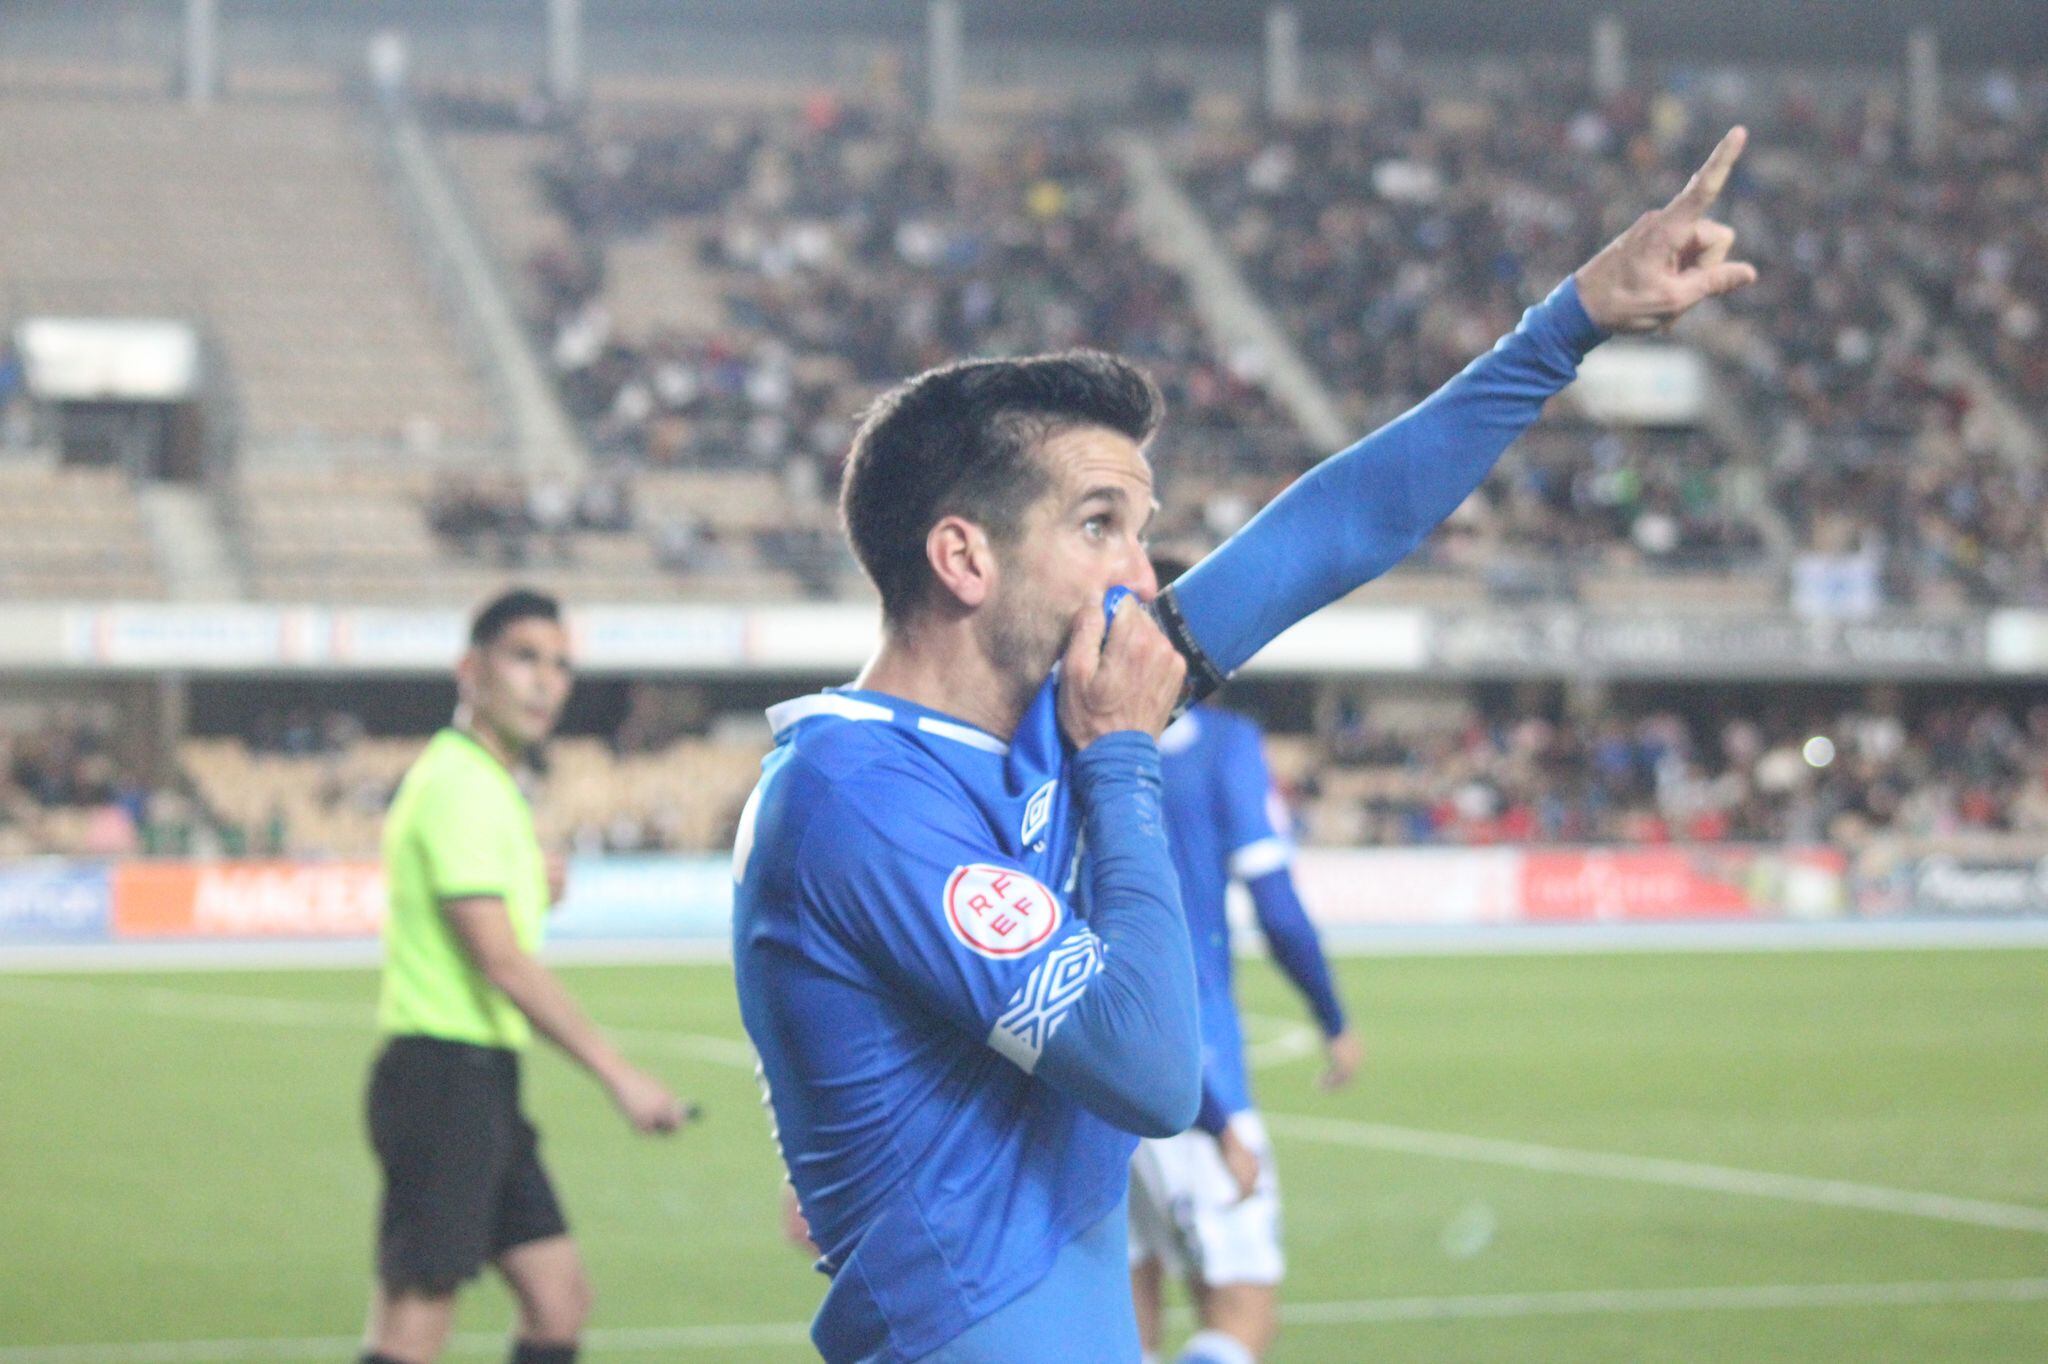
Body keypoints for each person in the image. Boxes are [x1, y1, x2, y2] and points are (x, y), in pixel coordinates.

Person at [734, 128, 1756, 1363]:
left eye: (1141, 527)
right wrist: (1120, 757)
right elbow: (1148, 1070)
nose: (1141, 571)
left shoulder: (1044, 712)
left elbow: (1330, 531)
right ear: (963, 557)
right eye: (1099, 524)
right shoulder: (851, 791)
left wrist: (1566, 324)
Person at [360, 588, 691, 1364]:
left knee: (557, 1300)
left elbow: (486, 914)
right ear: (471, 669)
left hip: (479, 1078)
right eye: (525, 658)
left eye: (561, 665)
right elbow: (501, 960)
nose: (547, 682)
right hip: (440, 1075)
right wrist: (619, 1075)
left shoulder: (487, 781)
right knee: (414, 1322)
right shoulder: (459, 783)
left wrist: (533, 886)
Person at [1128, 556, 1361, 1364]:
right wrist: (1333, 1018)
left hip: (1076, 1080)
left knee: (1120, 1324)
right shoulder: (1223, 747)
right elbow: (1278, 911)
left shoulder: (1047, 742)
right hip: (1190, 1061)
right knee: (1240, 1313)